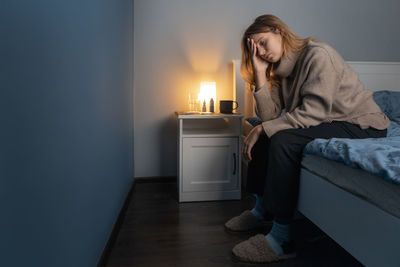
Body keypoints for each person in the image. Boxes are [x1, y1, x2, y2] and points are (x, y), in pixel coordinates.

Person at [225, 14, 389, 264]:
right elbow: (268, 115)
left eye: (262, 42)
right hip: (330, 121)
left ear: (278, 31)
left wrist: (266, 129)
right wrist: (260, 74)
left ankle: (282, 238)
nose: (260, 51)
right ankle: (261, 210)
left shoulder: (318, 54)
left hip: (362, 123)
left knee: (281, 139)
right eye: (254, 47)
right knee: (264, 130)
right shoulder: (280, 70)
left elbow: (315, 112)